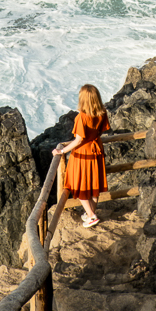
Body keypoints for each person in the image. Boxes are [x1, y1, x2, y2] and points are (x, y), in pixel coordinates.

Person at [52, 84, 110, 227]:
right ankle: (90, 213)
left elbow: (78, 140)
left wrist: (62, 151)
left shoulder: (81, 117)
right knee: (94, 183)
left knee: (78, 183)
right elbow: (100, 132)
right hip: (96, 151)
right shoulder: (102, 113)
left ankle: (91, 216)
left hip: (82, 154)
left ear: (82, 99)